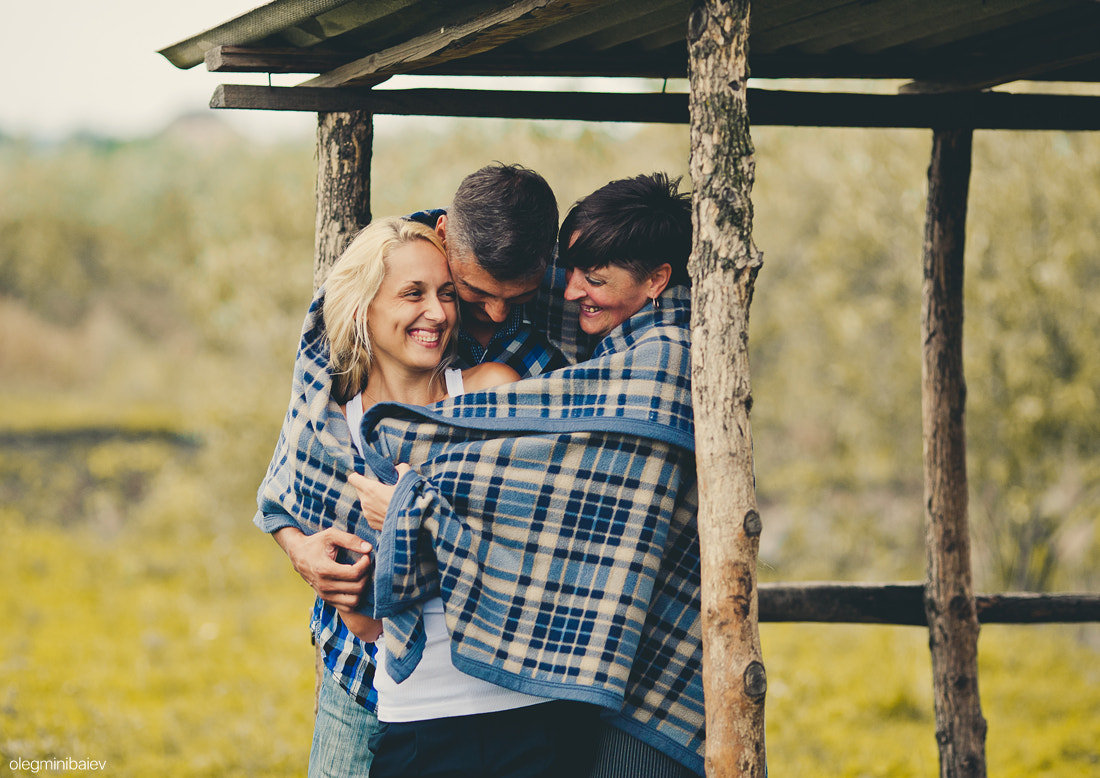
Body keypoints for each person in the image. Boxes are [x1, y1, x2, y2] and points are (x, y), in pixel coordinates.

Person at [351, 173, 705, 777]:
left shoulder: (664, 359)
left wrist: (413, 503)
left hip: (599, 672)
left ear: (657, 281)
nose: (569, 294)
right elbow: (363, 612)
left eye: (593, 281)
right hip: (423, 705)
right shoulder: (348, 402)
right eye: (570, 274)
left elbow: (549, 505)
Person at [255, 163, 569, 777]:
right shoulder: (334, 392)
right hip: (367, 673)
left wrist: (411, 507)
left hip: (504, 690)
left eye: (449, 297)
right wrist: (303, 551)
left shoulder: (506, 373)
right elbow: (287, 490)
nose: (499, 316)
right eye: (474, 292)